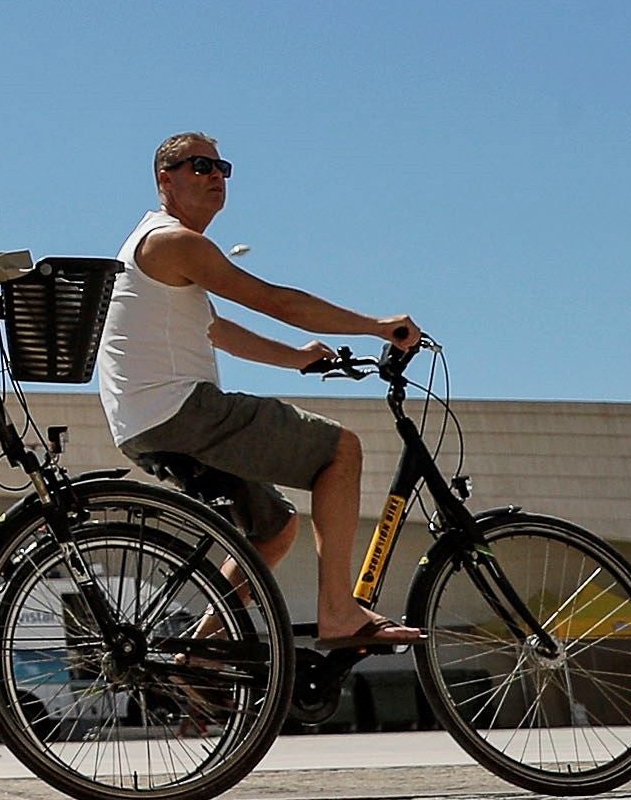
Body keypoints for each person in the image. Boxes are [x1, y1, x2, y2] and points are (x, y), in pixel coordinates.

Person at [95, 131, 428, 651]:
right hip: (182, 411)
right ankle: (339, 612)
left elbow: (219, 332)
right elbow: (278, 302)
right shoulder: (172, 242)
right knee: (341, 450)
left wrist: (297, 359)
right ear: (165, 178)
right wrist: (377, 326)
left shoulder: (161, 251)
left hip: (147, 422)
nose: (215, 177)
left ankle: (197, 651)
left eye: (222, 168)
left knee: (274, 529)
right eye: (199, 166)